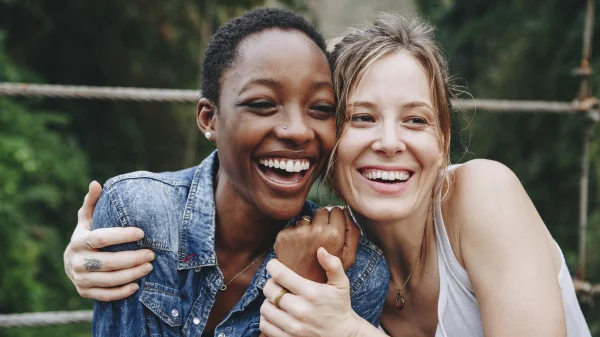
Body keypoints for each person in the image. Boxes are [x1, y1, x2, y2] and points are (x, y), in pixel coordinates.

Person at [257, 13, 591, 337]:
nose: (389, 143)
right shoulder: (336, 255)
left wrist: (349, 332)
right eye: (362, 118)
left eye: (415, 120)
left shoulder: (485, 193)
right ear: (328, 139)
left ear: (443, 140)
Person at [63, 7, 390, 336]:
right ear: (209, 119)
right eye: (262, 104)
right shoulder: (138, 215)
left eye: (321, 108)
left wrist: (302, 285)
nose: (298, 131)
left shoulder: (352, 271)